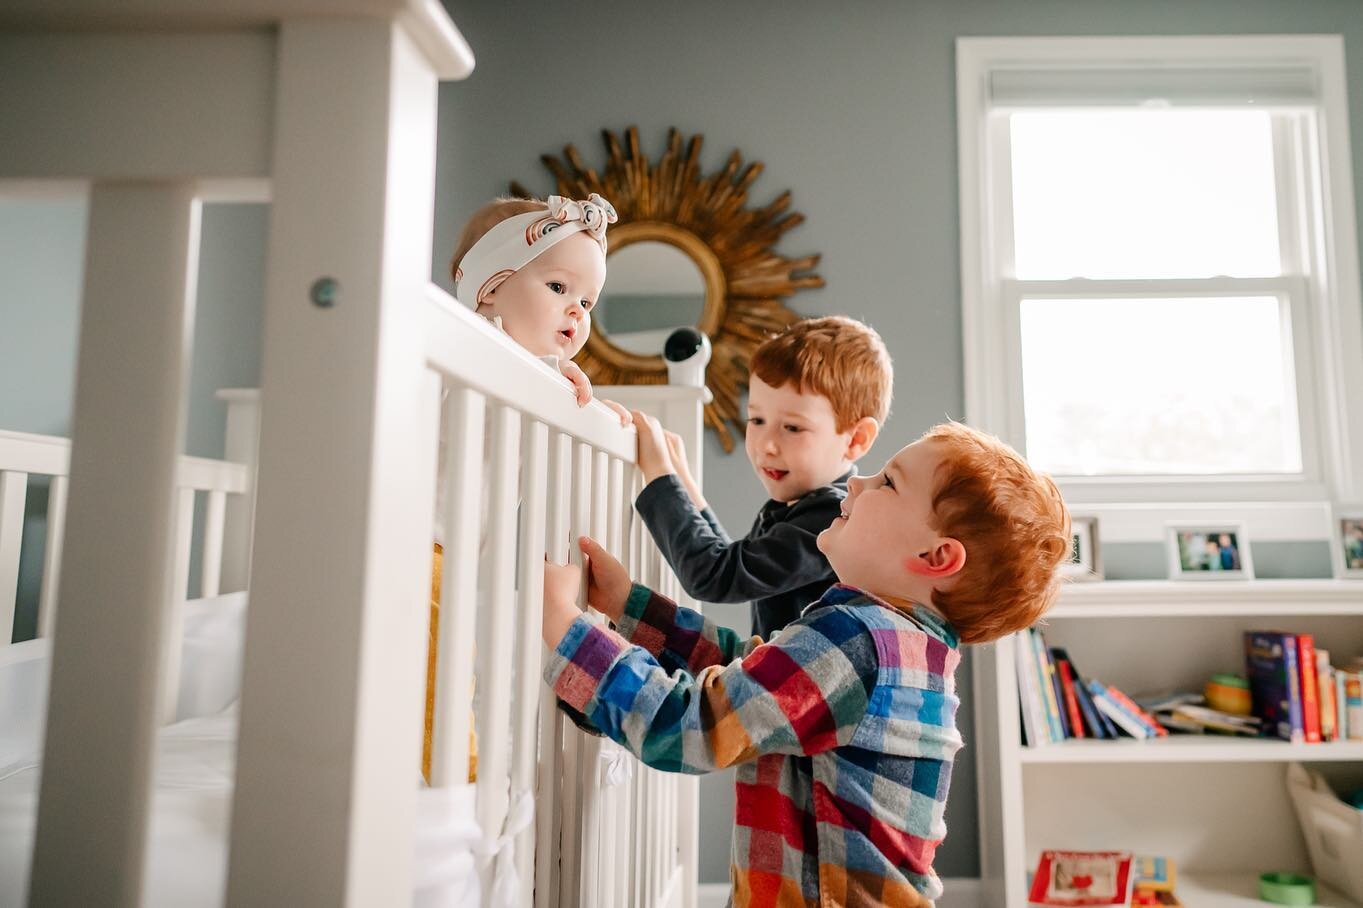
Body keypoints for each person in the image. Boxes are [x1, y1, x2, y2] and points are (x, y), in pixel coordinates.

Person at [542, 422, 1071, 906]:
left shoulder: (859, 641)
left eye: (887, 482)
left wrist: (567, 627)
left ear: (936, 558)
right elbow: (751, 676)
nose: (856, 483)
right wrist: (629, 606)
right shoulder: (910, 650)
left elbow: (693, 727)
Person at [426, 193, 629, 782]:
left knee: (441, 658)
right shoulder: (467, 349)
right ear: (490, 287)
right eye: (559, 288)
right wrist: (554, 374)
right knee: (442, 667)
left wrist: (575, 395)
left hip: (450, 553)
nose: (577, 313)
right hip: (417, 545)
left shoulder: (522, 372)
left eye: (588, 301)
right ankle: (453, 784)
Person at [631, 316, 892, 640]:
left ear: (855, 439)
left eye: (792, 427)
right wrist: (685, 486)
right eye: (756, 419)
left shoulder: (834, 519)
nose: (766, 445)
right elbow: (731, 560)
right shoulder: (802, 508)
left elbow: (715, 576)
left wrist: (660, 475)